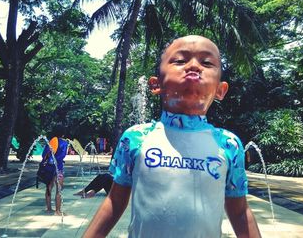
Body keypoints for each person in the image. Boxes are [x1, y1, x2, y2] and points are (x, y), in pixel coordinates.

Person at [83, 35, 261, 238]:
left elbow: (239, 212)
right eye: (180, 60)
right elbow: (114, 202)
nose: (194, 66)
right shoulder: (136, 138)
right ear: (155, 84)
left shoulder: (228, 144)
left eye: (206, 62)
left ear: (220, 90)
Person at [42, 127, 68, 215]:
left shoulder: (51, 142)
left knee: (49, 188)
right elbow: (62, 156)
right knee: (59, 190)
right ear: (63, 134)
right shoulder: (64, 143)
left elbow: (44, 155)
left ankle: (49, 208)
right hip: (59, 168)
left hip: (49, 168)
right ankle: (58, 211)